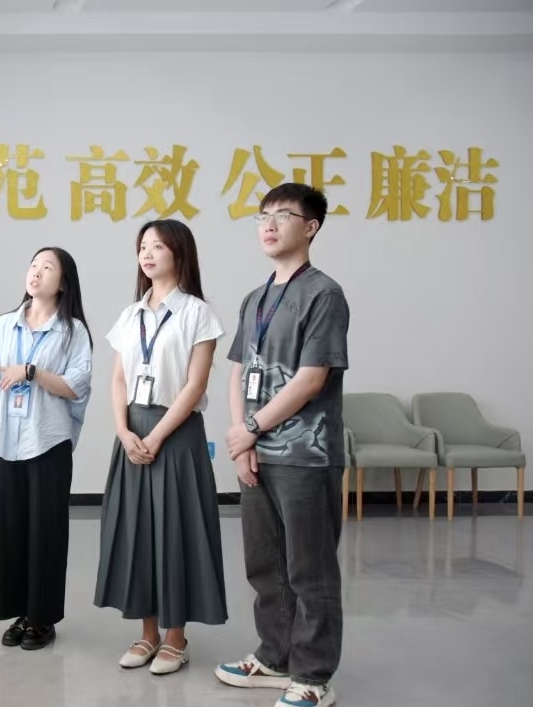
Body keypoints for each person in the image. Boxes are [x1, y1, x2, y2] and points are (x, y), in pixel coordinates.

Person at [215, 183, 350, 707]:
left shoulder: (324, 294)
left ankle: (313, 677)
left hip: (306, 456)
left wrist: (251, 428)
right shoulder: (255, 298)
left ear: (311, 227)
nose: (268, 225)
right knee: (265, 566)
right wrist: (241, 440)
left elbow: (312, 378)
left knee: (309, 570)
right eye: (262, 216)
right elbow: (237, 370)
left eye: (283, 215)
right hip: (257, 453)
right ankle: (275, 658)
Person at [92, 219, 228, 675]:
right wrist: (123, 431)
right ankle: (148, 634)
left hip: (176, 433)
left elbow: (195, 386)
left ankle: (176, 637)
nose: (147, 254)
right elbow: (118, 379)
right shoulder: (130, 315)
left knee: (176, 531)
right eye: (143, 247)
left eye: (158, 246)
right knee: (138, 532)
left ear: (179, 253)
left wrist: (155, 436)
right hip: (133, 433)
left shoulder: (197, 313)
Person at [0, 246, 94, 651]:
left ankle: (43, 618)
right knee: (10, 528)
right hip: (4, 439)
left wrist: (32, 372)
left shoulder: (72, 331)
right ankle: (20, 612)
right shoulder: (4, 325)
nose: (36, 272)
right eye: (34, 265)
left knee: (46, 531)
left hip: (47, 440)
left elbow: (75, 387)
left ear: (63, 283)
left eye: (47, 267)